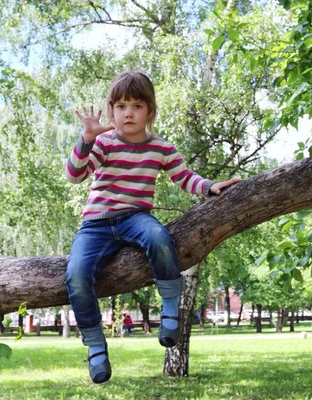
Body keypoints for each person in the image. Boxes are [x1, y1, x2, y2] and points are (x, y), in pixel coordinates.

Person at [64, 70, 241, 384]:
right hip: (96, 225)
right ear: (111, 111)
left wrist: (209, 187)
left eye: (136, 106)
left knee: (160, 237)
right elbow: (74, 175)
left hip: (135, 218)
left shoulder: (160, 148)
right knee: (76, 275)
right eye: (121, 106)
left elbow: (184, 177)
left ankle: (170, 306)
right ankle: (94, 345)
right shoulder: (103, 143)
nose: (128, 113)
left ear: (150, 111)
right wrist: (86, 139)